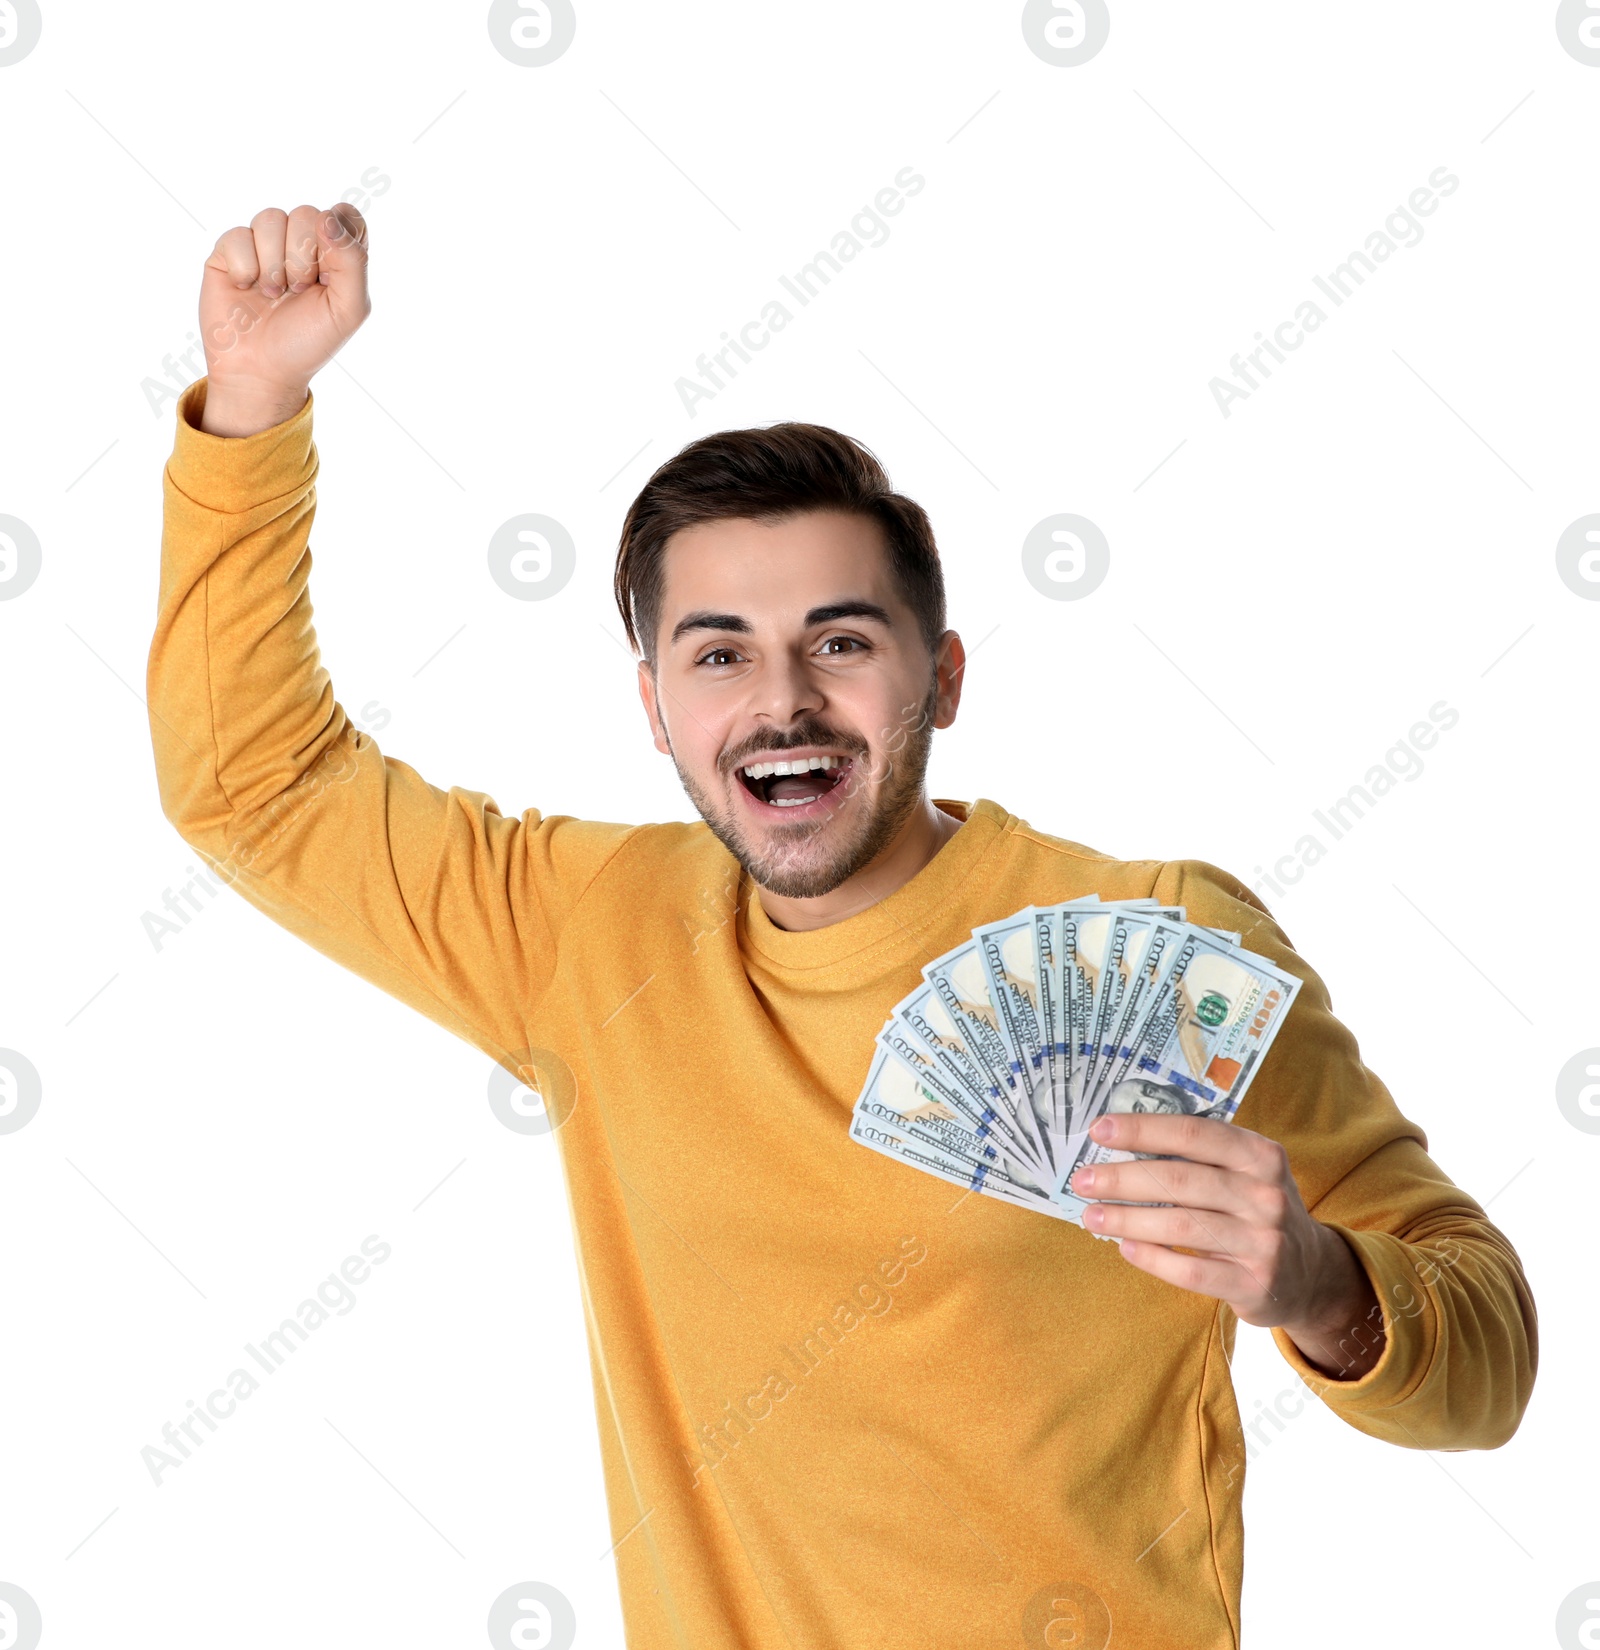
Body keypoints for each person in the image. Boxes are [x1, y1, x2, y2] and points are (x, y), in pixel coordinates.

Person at [147, 202, 1537, 1650]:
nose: (785, 699)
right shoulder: (586, 931)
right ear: (654, 708)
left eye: (842, 640)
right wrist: (252, 412)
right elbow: (254, 784)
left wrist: (1325, 1286)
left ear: (940, 675)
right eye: (720, 653)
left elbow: (1491, 1363)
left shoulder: (1159, 940)